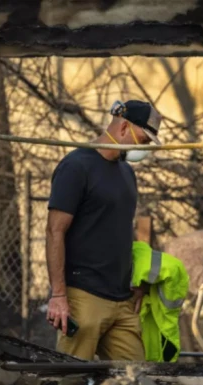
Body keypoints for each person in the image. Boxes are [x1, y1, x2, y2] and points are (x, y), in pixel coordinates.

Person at [45, 99, 163, 361]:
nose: (143, 148)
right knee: (70, 381)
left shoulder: (126, 173)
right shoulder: (76, 166)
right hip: (84, 297)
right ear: (123, 128)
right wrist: (59, 295)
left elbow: (122, 232)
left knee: (137, 381)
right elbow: (54, 231)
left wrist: (137, 283)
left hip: (122, 300)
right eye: (143, 140)